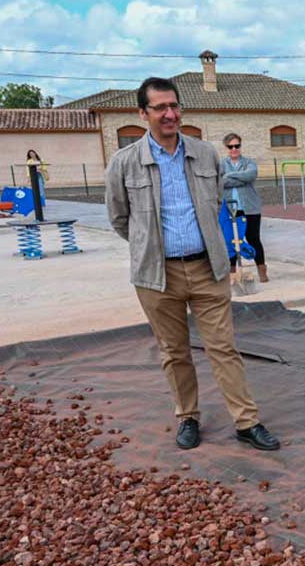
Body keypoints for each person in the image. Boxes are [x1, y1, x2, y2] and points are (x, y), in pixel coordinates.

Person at [105, 77, 281, 453]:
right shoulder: (124, 163)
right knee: (174, 352)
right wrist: (148, 248)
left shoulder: (205, 154)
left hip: (207, 269)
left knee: (223, 348)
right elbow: (120, 219)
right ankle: (188, 417)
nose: (170, 114)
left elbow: (215, 199)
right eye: (160, 108)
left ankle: (247, 422)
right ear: (143, 114)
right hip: (157, 275)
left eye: (174, 106)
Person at [221, 132, 268, 282]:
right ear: (226, 148)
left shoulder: (249, 162)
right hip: (230, 209)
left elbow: (251, 175)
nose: (234, 149)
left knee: (253, 238)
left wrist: (229, 176)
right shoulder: (221, 164)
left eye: (237, 146)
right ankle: (232, 272)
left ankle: (262, 270)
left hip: (250, 208)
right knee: (231, 240)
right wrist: (239, 178)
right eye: (231, 146)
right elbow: (219, 182)